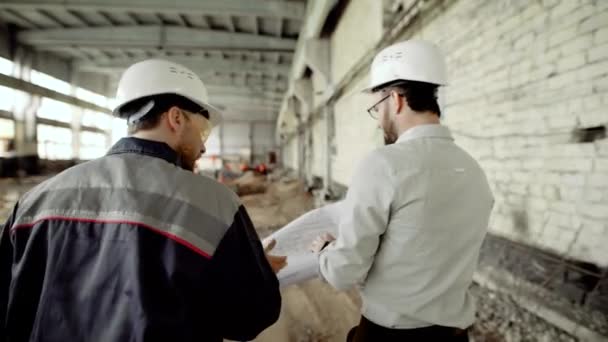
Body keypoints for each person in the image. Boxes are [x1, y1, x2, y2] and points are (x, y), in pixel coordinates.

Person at [0, 59, 285, 342]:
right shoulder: (215, 203)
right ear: (176, 118)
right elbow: (249, 317)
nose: (203, 145)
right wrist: (256, 275)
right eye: (203, 130)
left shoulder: (35, 200)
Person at [310, 40, 494, 341]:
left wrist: (326, 251)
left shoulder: (384, 164)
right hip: (454, 334)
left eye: (377, 107)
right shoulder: (473, 170)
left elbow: (343, 272)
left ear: (395, 100)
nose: (379, 119)